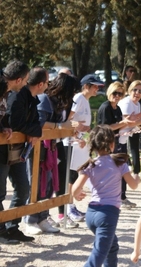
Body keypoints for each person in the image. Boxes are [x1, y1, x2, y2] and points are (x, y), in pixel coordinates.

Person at [72, 125, 141, 267]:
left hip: (91, 214)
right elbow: (133, 185)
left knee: (112, 246)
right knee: (98, 254)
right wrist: (137, 178)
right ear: (112, 144)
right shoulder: (119, 163)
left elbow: (75, 189)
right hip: (108, 215)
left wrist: (77, 195)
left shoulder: (90, 165)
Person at [24, 71, 81, 235]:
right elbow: (40, 124)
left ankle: (42, 218)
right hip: (37, 149)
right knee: (35, 184)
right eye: (72, 92)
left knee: (48, 185)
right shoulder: (45, 99)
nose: (73, 96)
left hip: (52, 149)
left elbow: (61, 124)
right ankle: (30, 219)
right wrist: (61, 127)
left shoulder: (62, 103)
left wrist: (70, 129)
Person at [60, 74, 102, 225]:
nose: (97, 88)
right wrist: (78, 136)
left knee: (75, 176)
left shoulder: (85, 100)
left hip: (79, 144)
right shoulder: (78, 98)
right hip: (71, 143)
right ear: (86, 86)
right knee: (70, 177)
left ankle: (71, 206)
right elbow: (68, 120)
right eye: (95, 86)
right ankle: (67, 208)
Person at [97, 82, 141, 209]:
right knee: (109, 173)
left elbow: (121, 124)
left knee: (122, 169)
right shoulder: (105, 107)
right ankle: (107, 198)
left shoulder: (117, 108)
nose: (117, 96)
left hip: (117, 142)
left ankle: (121, 196)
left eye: (120, 94)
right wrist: (124, 123)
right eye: (115, 93)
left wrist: (129, 121)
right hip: (105, 144)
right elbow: (106, 127)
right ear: (109, 92)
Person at [0, 61, 31, 244]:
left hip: (6, 147)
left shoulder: (7, 92)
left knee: (17, 189)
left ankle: (9, 228)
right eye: (25, 80)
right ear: (18, 79)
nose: (26, 84)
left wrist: (3, 127)